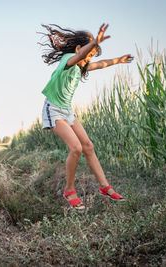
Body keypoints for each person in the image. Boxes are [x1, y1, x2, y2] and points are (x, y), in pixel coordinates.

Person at [39, 23, 133, 209]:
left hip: (67, 111)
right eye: (88, 53)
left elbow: (100, 64)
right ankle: (69, 190)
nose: (89, 58)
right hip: (53, 110)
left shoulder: (82, 65)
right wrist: (95, 42)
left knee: (88, 146)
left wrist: (119, 60)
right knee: (76, 148)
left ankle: (105, 187)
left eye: (91, 55)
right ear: (78, 49)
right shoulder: (68, 60)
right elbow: (81, 56)